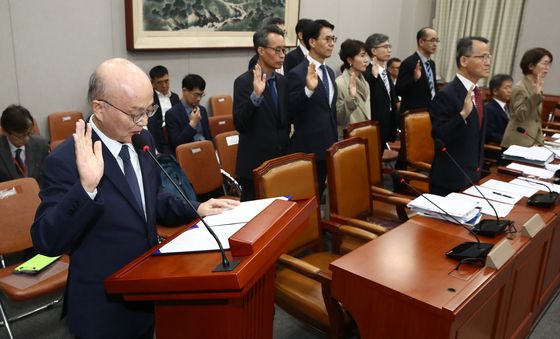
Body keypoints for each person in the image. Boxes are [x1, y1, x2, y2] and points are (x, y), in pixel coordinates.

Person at [31, 58, 238, 339]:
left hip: (146, 288)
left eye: (148, 111)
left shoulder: (143, 140)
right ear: (99, 108)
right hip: (102, 304)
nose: (143, 122)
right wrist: (86, 188)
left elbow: (152, 200)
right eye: (134, 114)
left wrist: (197, 207)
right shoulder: (66, 159)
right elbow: (47, 240)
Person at [233, 25, 291, 201]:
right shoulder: (243, 82)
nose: (282, 55)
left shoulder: (282, 81)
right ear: (261, 50)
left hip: (279, 162)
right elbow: (240, 124)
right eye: (277, 50)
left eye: (284, 50)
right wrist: (256, 96)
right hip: (255, 165)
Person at [429, 36, 491, 195]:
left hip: (472, 177)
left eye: (489, 57)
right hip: (450, 182)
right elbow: (439, 135)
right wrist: (462, 115)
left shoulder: (477, 92)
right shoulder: (446, 95)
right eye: (482, 57)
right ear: (464, 61)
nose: (488, 62)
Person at [287, 19, 338, 196]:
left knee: (321, 194)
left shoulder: (329, 72)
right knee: (307, 197)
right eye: (327, 39)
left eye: (333, 39)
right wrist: (308, 90)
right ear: (312, 42)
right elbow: (291, 109)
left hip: (328, 146)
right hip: (308, 149)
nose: (331, 44)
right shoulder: (297, 73)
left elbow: (330, 110)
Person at [501, 48, 553, 148]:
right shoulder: (520, 87)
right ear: (531, 66)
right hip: (517, 142)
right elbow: (520, 115)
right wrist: (536, 95)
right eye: (544, 63)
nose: (547, 68)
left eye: (549, 64)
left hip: (533, 141)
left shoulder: (536, 86)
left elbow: (536, 119)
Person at [364, 33, 398, 148]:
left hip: (388, 121)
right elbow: (367, 93)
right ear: (374, 50)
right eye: (385, 47)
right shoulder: (367, 72)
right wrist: (374, 76)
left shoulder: (386, 72)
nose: (389, 50)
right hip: (374, 122)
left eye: (390, 47)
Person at [0, 104, 48, 186]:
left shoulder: (41, 145)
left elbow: (47, 175)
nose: (27, 139)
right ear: (6, 132)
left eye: (29, 133)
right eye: (20, 136)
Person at [165, 74, 212, 155]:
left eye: (201, 95)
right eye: (196, 94)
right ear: (184, 91)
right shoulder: (172, 114)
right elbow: (176, 144)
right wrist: (192, 123)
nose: (199, 99)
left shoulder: (202, 110)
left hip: (205, 151)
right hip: (188, 154)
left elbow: (208, 137)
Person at [396, 27, 439, 114]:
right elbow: (398, 90)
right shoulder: (409, 62)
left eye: (437, 40)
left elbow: (432, 89)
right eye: (432, 40)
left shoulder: (431, 64)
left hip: (430, 111)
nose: (435, 44)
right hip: (414, 113)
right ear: (421, 42)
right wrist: (414, 79)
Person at [335, 39, 371, 139]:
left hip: (365, 135)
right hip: (349, 138)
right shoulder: (340, 83)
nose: (366, 60)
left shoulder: (366, 83)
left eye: (367, 55)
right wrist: (351, 97)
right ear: (350, 60)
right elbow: (339, 118)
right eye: (362, 55)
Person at [147, 65, 180, 154]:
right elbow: (152, 123)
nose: (164, 86)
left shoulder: (175, 97)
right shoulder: (150, 99)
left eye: (166, 81)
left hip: (176, 134)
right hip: (161, 138)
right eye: (159, 83)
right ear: (152, 83)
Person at [485, 74, 513, 144]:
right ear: (495, 91)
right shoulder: (489, 109)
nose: (510, 91)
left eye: (511, 87)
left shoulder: (508, 108)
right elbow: (489, 134)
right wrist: (511, 139)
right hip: (497, 148)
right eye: (506, 88)